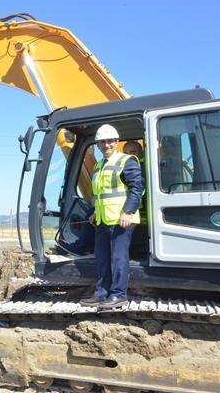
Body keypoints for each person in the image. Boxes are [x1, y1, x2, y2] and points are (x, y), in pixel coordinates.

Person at [80, 124, 143, 309]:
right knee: (102, 258)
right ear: (98, 144)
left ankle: (119, 295)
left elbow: (136, 189)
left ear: (116, 142)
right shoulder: (99, 165)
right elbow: (101, 195)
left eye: (110, 141)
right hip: (102, 219)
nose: (106, 145)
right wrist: (94, 213)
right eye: (102, 142)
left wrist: (127, 212)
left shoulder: (127, 161)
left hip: (121, 220)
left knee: (118, 258)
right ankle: (102, 294)